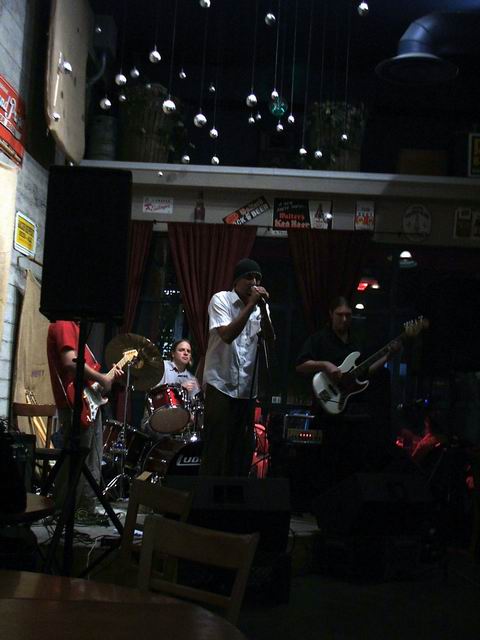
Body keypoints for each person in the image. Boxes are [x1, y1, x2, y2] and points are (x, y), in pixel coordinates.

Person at [296, 296, 399, 491]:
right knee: (325, 467)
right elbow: (301, 365)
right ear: (331, 314)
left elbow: (366, 372)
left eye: (348, 315)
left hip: (353, 416)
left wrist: (388, 356)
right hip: (327, 416)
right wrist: (325, 365)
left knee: (351, 468)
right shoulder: (319, 339)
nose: (344, 319)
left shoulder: (357, 341)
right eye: (340, 315)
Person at [200, 258, 275, 477]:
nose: (254, 282)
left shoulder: (260, 308)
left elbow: (270, 339)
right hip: (220, 384)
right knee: (216, 447)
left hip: (247, 388)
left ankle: (234, 494)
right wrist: (251, 305)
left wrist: (262, 308)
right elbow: (227, 335)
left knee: (241, 449)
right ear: (236, 280)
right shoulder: (221, 299)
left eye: (258, 278)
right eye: (249, 277)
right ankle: (207, 494)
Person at [46, 320, 124, 523]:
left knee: (91, 461)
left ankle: (84, 510)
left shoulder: (76, 328)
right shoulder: (64, 323)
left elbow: (84, 372)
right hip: (76, 404)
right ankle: (64, 511)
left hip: (87, 402)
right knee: (78, 460)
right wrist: (102, 378)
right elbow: (70, 362)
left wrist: (106, 378)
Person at [142, 339, 201, 438]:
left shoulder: (192, 379)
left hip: (180, 424)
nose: (186, 353)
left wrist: (193, 416)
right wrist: (179, 389)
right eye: (181, 350)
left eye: (188, 351)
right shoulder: (162, 367)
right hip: (157, 418)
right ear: (173, 354)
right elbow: (154, 392)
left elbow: (195, 405)